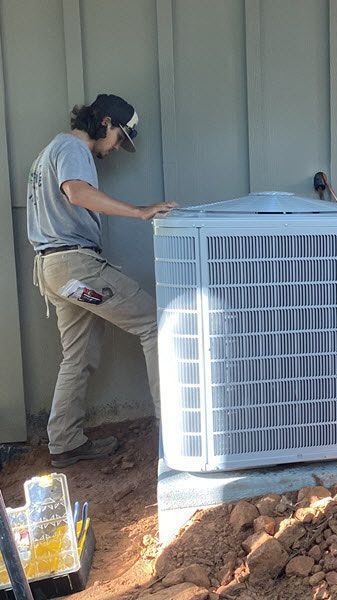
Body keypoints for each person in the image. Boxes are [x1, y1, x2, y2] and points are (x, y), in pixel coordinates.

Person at [27, 93, 175, 467]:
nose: (115, 148)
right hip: (76, 264)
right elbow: (77, 193)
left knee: (76, 356)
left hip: (53, 269)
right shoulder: (73, 148)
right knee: (154, 324)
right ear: (105, 122)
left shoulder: (49, 153)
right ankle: (173, 427)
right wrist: (140, 212)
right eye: (119, 139)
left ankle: (64, 442)